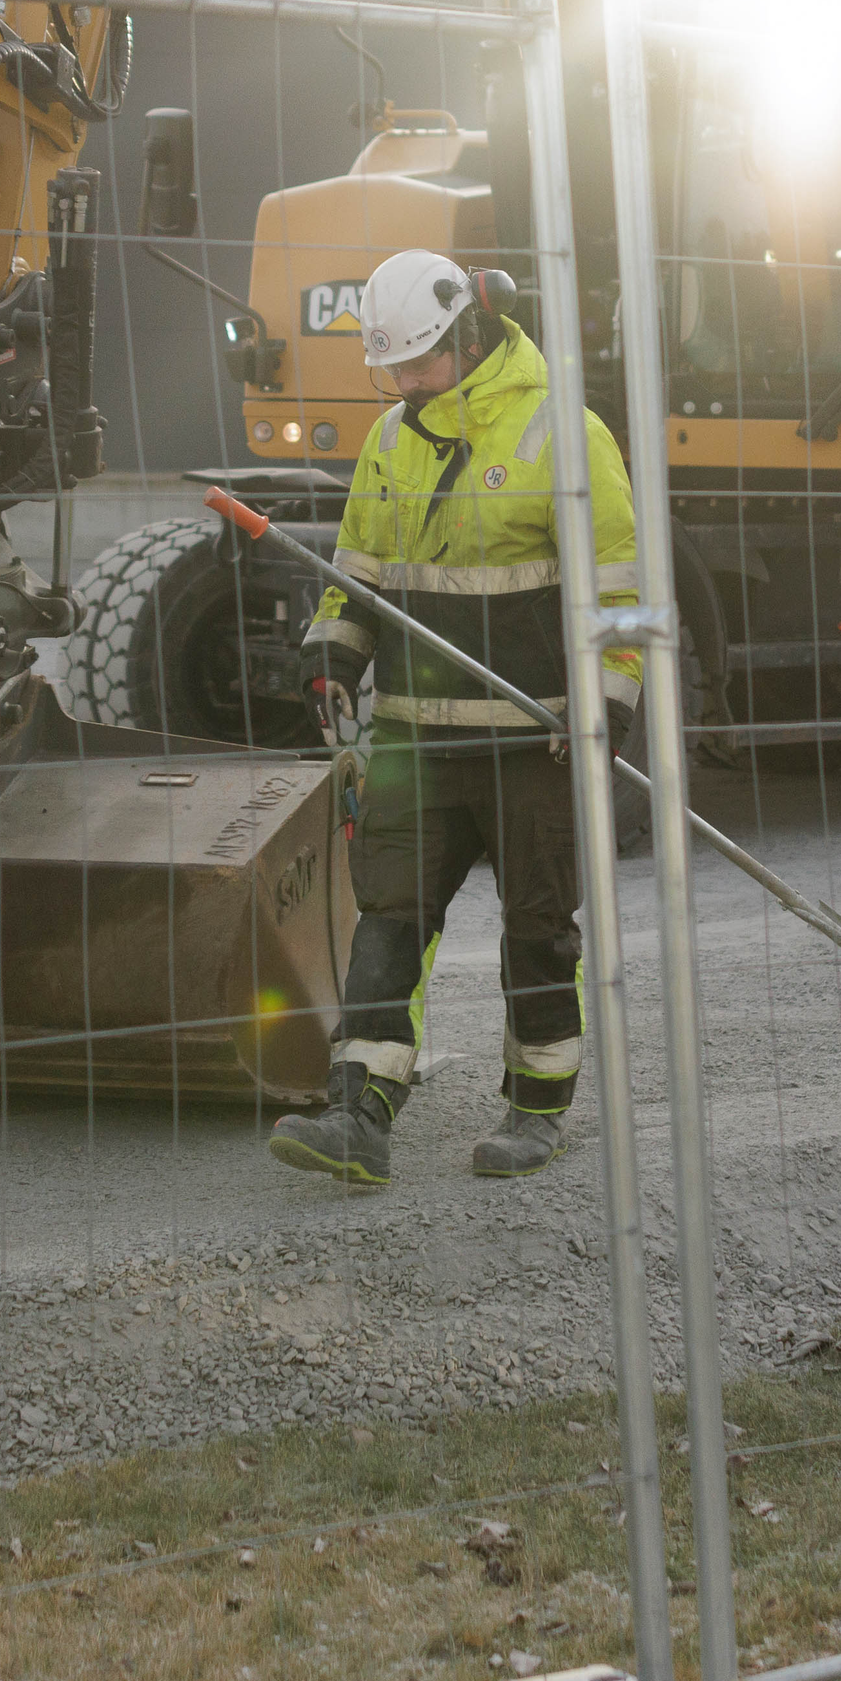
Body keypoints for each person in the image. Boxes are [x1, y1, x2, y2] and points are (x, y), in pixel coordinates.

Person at [268, 247, 640, 1188]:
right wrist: (332, 652)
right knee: (388, 919)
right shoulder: (391, 438)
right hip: (412, 740)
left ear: (469, 334)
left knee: (538, 925)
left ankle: (536, 1110)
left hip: (532, 739)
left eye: (417, 363)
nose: (401, 383)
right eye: (388, 368)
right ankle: (360, 1114)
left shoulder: (564, 432)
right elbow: (362, 574)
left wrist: (605, 702)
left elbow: (621, 593)